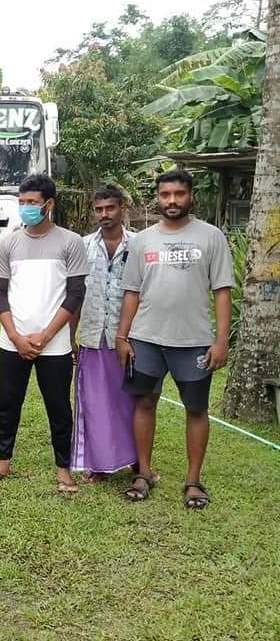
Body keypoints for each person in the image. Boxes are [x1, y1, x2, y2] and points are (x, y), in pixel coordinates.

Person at [116, 169, 233, 509]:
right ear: (158, 197)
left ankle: (193, 480)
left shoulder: (211, 237)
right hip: (146, 339)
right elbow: (131, 293)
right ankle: (144, 473)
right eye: (165, 194)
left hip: (195, 341)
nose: (171, 201)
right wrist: (123, 337)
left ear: (190, 196)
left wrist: (221, 340)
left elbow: (222, 292)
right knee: (144, 403)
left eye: (178, 194)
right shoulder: (142, 241)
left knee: (196, 409)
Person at [0, 173, 87, 493]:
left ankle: (63, 469)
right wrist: (15, 336)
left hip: (52, 345)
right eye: (22, 202)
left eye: (32, 202)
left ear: (49, 204)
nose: (26, 207)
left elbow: (75, 294)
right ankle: (3, 461)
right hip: (12, 342)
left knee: (58, 407)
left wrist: (47, 335)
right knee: (8, 403)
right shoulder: (8, 243)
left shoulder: (71, 242)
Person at [69, 185, 137, 482]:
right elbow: (73, 296)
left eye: (110, 208)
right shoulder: (83, 246)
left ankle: (137, 461)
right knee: (94, 404)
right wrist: (70, 336)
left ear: (123, 208)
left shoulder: (139, 245)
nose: (104, 214)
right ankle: (97, 465)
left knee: (130, 402)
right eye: (99, 209)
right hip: (92, 336)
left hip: (131, 339)